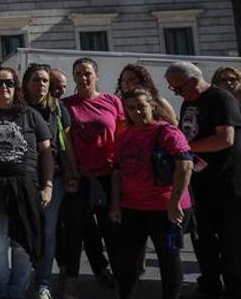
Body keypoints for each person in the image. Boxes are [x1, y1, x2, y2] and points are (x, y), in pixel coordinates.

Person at [0, 67, 53, 299]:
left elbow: (46, 151)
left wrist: (48, 186)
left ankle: (18, 291)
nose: (4, 87)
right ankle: (1, 291)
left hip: (25, 188)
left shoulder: (30, 115)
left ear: (16, 87)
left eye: (9, 83)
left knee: (22, 244)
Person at [109, 87, 194, 299]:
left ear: (152, 106)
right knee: (126, 260)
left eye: (141, 107)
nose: (136, 112)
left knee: (168, 258)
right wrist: (115, 204)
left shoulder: (166, 132)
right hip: (132, 207)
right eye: (131, 108)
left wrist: (174, 202)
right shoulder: (126, 134)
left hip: (165, 209)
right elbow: (117, 171)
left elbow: (186, 165)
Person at [165, 61, 241, 297]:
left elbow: (225, 139)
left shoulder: (221, 99)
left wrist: (185, 147)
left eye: (178, 89)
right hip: (200, 183)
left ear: (193, 81)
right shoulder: (190, 101)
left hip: (227, 184)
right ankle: (210, 280)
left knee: (232, 240)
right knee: (203, 238)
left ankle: (235, 285)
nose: (177, 94)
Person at [61, 57, 123, 295]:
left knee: (112, 229)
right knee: (77, 230)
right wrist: (72, 173)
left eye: (87, 73)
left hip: (109, 177)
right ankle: (72, 278)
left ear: (96, 75)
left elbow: (122, 136)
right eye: (78, 74)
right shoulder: (66, 105)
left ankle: (119, 278)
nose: (83, 78)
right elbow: (64, 143)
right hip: (80, 177)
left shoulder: (112, 102)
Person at [21, 63, 77, 299]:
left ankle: (43, 283)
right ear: (26, 83)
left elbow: (66, 146)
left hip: (54, 180)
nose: (41, 84)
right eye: (36, 80)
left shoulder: (58, 109)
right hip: (24, 181)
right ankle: (23, 278)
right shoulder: (18, 109)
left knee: (48, 233)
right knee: (25, 232)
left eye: (45, 80)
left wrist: (73, 174)